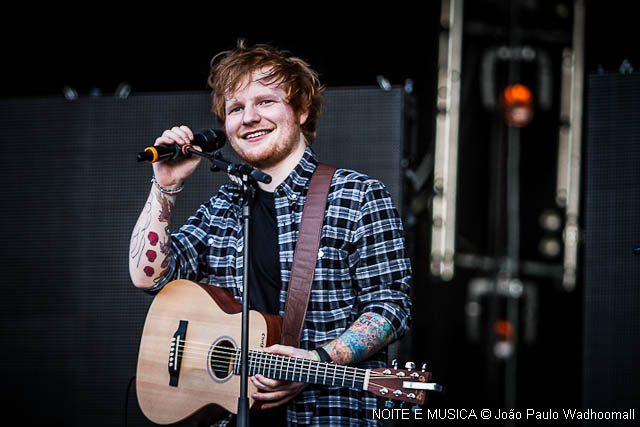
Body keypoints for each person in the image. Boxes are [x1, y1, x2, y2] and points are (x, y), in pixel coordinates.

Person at [129, 40, 412, 426]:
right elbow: (150, 278)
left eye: (265, 102)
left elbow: (389, 308)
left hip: (327, 414)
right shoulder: (220, 209)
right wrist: (166, 184)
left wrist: (319, 360)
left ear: (301, 110)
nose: (248, 118)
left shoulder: (358, 195)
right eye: (236, 108)